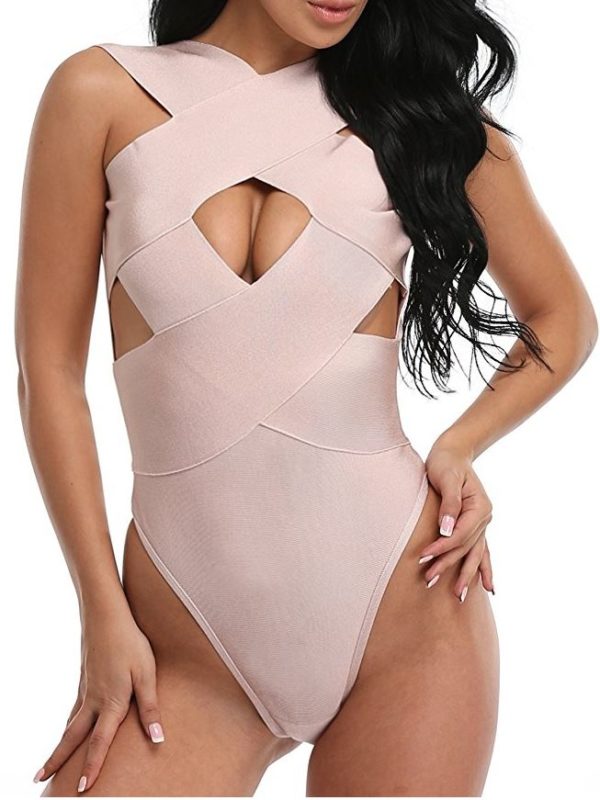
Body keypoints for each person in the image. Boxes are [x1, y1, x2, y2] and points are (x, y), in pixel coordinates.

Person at [15, 0, 597, 796]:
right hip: (184, 654)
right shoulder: (99, 93)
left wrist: (460, 444)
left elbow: (563, 316)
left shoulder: (416, 119)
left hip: (408, 617)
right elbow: (47, 370)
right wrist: (99, 610)